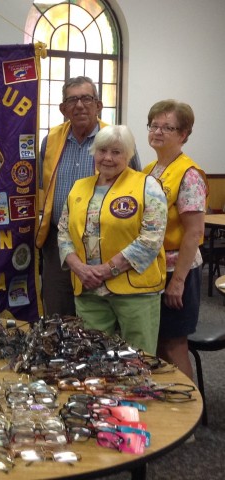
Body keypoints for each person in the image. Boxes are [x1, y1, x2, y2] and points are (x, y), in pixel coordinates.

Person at [36, 76, 141, 318]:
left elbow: (137, 187)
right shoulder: (50, 140)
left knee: (100, 317)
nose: (80, 105)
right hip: (58, 244)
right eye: (72, 100)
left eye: (86, 98)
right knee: (58, 314)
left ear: (99, 105)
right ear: (63, 109)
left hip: (107, 243)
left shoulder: (117, 139)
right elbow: (43, 186)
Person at [57, 125, 167, 354]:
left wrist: (107, 270)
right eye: (102, 150)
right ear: (94, 153)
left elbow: (151, 238)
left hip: (135, 292)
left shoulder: (148, 185)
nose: (107, 158)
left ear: (128, 155)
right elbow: (63, 232)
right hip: (88, 291)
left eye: (116, 152)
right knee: (91, 357)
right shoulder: (79, 187)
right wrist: (80, 269)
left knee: (138, 358)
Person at [143, 100, 207, 378]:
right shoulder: (149, 170)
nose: (158, 132)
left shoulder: (189, 174)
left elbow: (193, 232)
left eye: (167, 127)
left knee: (174, 343)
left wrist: (178, 282)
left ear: (183, 134)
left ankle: (187, 411)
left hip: (177, 270)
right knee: (155, 340)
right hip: (153, 268)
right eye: (154, 125)